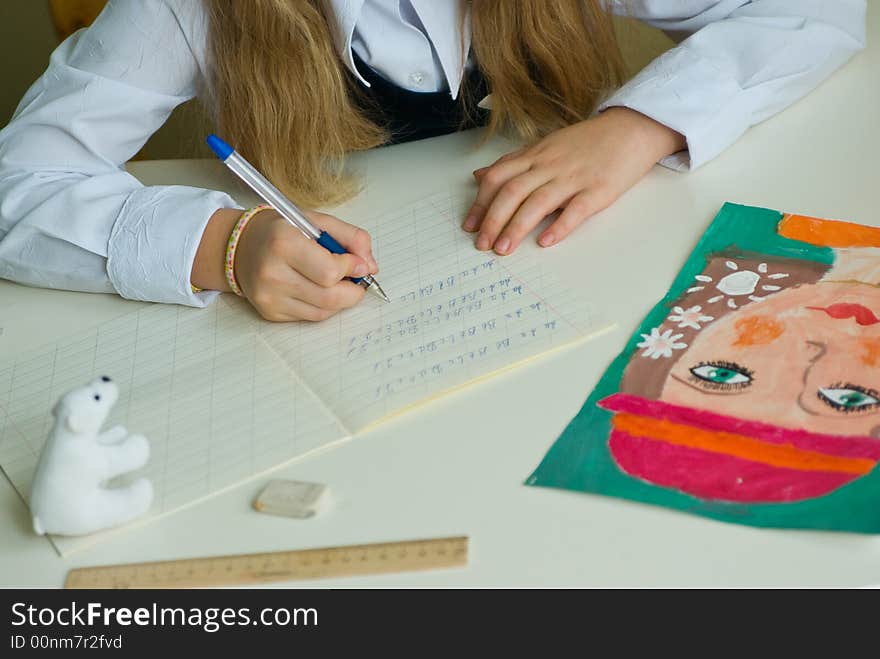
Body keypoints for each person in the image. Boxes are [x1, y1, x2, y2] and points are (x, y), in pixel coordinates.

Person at [0, 0, 866, 322]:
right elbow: (19, 182)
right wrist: (221, 244)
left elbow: (817, 10)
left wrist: (637, 125)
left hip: (567, 281)